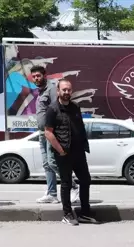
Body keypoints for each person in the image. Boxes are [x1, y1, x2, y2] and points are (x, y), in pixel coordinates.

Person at [44, 79, 97, 226]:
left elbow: (79, 128)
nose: (67, 92)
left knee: (86, 180)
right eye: (64, 90)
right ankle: (67, 214)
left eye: (69, 90)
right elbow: (48, 133)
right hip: (64, 153)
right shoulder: (52, 109)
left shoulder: (75, 107)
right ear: (58, 91)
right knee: (66, 183)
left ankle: (84, 213)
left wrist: (84, 145)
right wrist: (60, 151)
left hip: (79, 152)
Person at [32, 65, 79, 204]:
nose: (36, 78)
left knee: (53, 162)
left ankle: (74, 186)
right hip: (42, 132)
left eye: (38, 76)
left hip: (50, 132)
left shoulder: (52, 89)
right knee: (46, 164)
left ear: (44, 76)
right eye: (34, 76)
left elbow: (57, 108)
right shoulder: (40, 92)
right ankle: (52, 193)